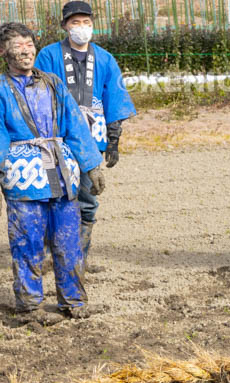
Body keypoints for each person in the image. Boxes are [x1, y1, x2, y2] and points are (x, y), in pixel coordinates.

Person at [0, 22, 104, 323]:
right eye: (18, 46)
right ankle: (29, 307)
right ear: (4, 52)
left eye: (29, 44)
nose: (26, 51)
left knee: (68, 241)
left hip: (61, 174)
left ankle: (73, 301)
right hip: (23, 178)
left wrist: (92, 163)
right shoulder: (2, 90)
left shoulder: (54, 83)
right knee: (27, 242)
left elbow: (74, 124)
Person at [35, 1, 136, 274]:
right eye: (75, 22)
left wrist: (114, 137)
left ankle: (80, 257)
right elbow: (39, 95)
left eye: (86, 23)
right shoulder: (48, 56)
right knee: (54, 193)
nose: (81, 28)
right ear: (65, 25)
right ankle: (51, 256)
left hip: (93, 138)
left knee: (88, 197)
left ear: (93, 24)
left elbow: (114, 96)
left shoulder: (105, 58)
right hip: (56, 137)